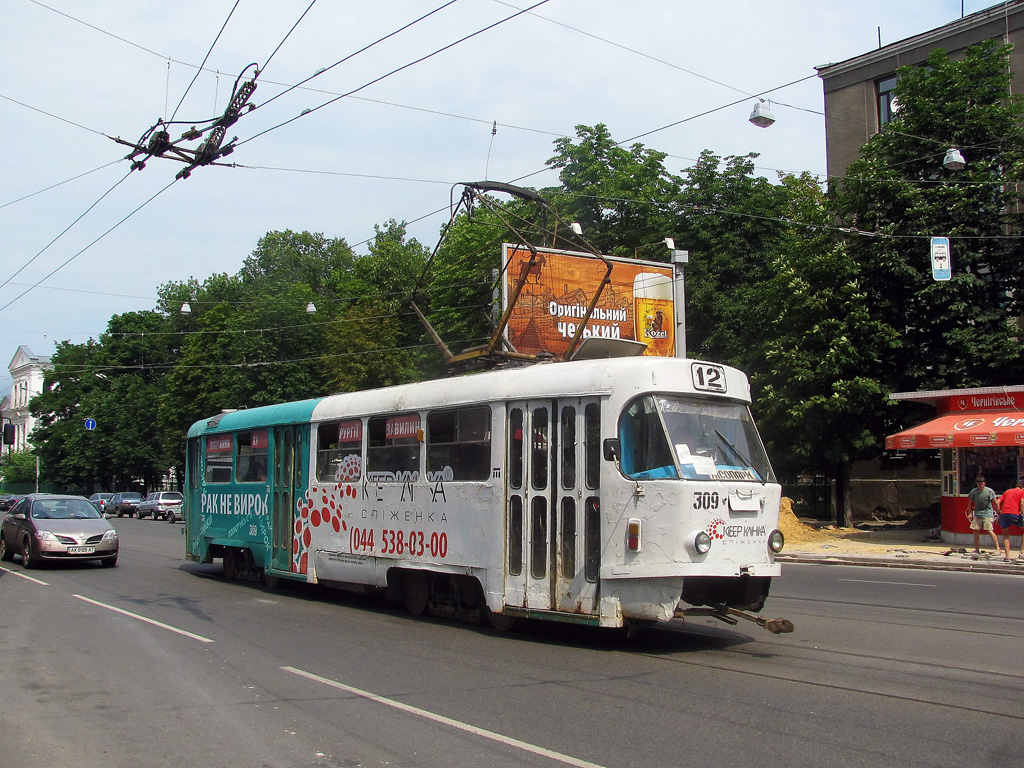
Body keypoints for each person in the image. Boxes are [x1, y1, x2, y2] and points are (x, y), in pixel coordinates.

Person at [968, 476, 1001, 557]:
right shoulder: (974, 492)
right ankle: (976, 549)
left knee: (989, 530)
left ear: (984, 483)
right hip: (977, 514)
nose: (981, 486)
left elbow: (995, 502)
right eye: (979, 485)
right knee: (975, 531)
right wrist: (969, 513)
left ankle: (998, 548)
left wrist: (998, 513)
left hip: (987, 514)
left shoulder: (989, 491)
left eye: (982, 484)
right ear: (977, 484)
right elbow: (970, 503)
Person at [996, 477, 1024, 562]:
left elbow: (997, 502)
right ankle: (1022, 553)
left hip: (1004, 514)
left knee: (1005, 534)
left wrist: (999, 513)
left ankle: (1007, 556)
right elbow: (1022, 503)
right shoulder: (1022, 492)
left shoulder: (1007, 491)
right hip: (1015, 513)